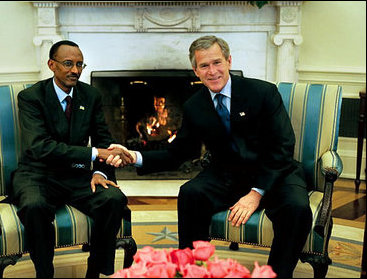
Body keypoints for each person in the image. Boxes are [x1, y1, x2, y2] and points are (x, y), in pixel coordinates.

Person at [108, 35, 312, 278]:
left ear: (228, 61)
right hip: (228, 175)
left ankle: (276, 275)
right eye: (204, 66)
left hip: (277, 172)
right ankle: (192, 270)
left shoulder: (263, 92)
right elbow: (179, 153)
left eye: (217, 62)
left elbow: (283, 146)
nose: (212, 71)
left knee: (297, 208)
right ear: (196, 71)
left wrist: (256, 193)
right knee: (190, 193)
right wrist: (134, 156)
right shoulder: (195, 105)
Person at [11, 40, 133, 278]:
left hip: (76, 174)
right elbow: (40, 147)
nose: (75, 71)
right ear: (51, 64)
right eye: (68, 64)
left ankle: (95, 270)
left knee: (113, 198)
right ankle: (44, 273)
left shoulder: (91, 95)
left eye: (79, 64)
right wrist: (94, 154)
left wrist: (100, 173)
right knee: (34, 206)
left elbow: (103, 139)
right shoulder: (31, 97)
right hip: (37, 174)